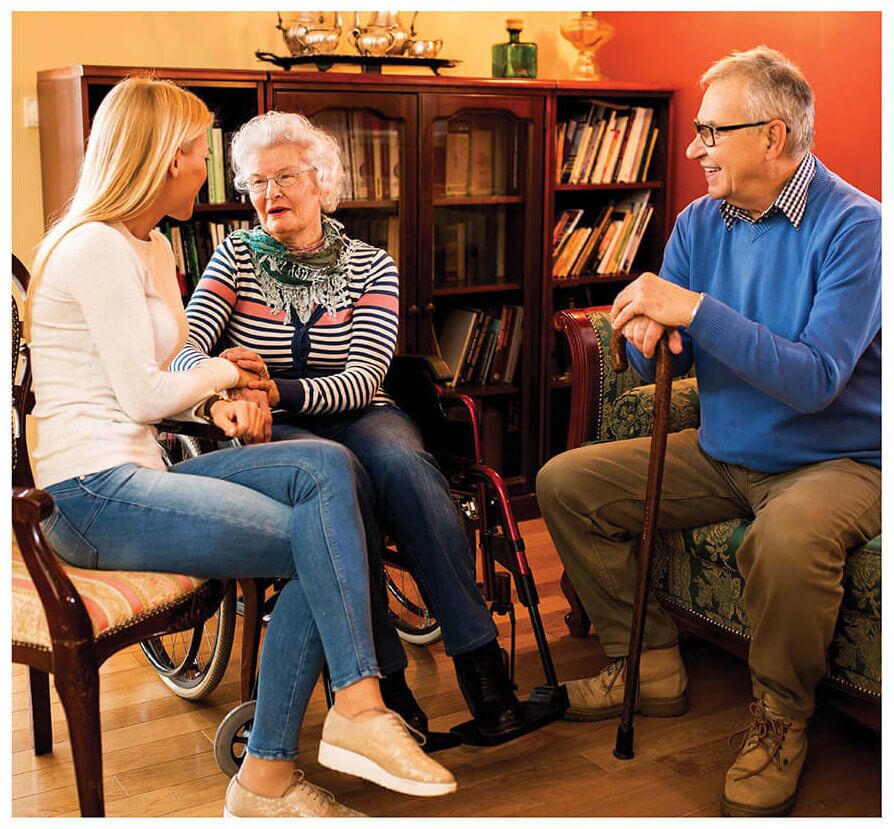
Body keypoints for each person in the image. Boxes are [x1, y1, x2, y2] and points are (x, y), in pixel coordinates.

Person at [26, 76, 456, 819]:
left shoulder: (149, 243)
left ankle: (340, 722)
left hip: (141, 470)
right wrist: (236, 371)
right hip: (90, 494)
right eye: (201, 151)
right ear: (166, 159)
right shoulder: (94, 247)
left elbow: (172, 372)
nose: (211, 169)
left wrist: (221, 392)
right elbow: (143, 396)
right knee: (314, 539)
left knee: (328, 468)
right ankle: (299, 753)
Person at [536, 45, 880, 818]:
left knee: (784, 541)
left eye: (710, 131)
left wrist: (693, 311)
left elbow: (817, 378)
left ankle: (781, 718)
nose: (693, 148)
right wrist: (643, 333)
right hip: (725, 447)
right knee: (567, 482)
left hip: (839, 459)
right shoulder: (700, 219)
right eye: (695, 130)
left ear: (774, 138)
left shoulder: (858, 228)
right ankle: (648, 660)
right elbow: (642, 347)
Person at [170, 110, 524, 737]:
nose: (269, 193)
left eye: (284, 177)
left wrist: (271, 386)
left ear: (322, 182)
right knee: (343, 486)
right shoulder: (233, 259)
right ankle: (382, 683)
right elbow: (185, 351)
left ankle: (480, 665)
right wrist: (223, 382)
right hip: (276, 431)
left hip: (362, 411)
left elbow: (364, 377)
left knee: (406, 469)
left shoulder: (371, 265)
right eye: (256, 182)